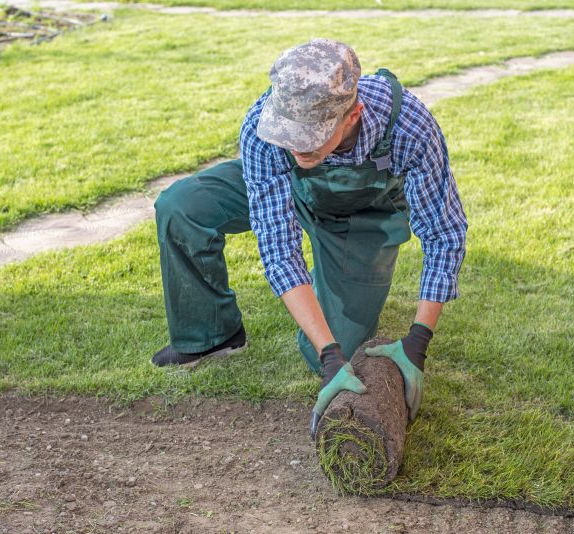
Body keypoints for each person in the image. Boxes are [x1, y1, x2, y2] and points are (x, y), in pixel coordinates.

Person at [152, 38, 468, 436]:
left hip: (361, 216)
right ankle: (211, 333)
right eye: (289, 134)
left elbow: (444, 233)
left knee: (331, 348)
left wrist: (417, 341)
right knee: (182, 207)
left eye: (312, 135)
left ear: (353, 114)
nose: (298, 145)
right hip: (290, 190)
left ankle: (339, 318)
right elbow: (279, 247)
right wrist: (330, 355)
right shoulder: (264, 127)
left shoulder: (409, 127)